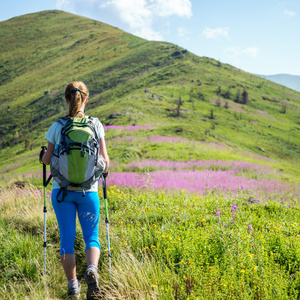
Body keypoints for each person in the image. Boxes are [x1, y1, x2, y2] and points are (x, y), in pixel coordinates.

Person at [41, 81, 109, 299]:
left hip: (62, 192)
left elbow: (48, 159)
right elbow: (105, 161)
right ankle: (92, 269)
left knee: (66, 239)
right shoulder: (96, 125)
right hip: (89, 192)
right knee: (92, 237)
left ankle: (73, 287)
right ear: (86, 99)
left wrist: (42, 156)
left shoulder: (57, 127)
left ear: (66, 99)